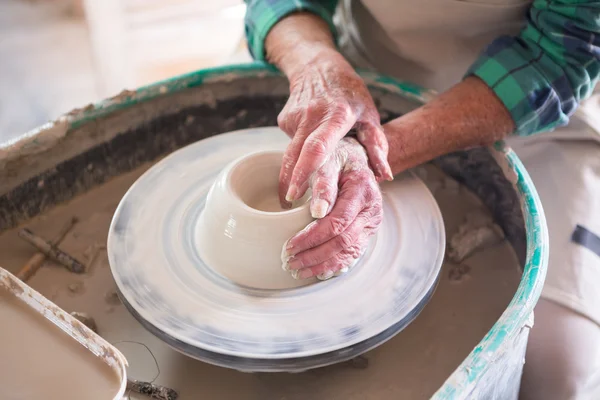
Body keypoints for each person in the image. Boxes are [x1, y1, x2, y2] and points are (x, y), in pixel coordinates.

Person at [243, 1, 600, 398]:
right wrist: (312, 61)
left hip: (534, 117)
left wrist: (375, 152)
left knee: (559, 371)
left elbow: (561, 54)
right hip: (355, 71)